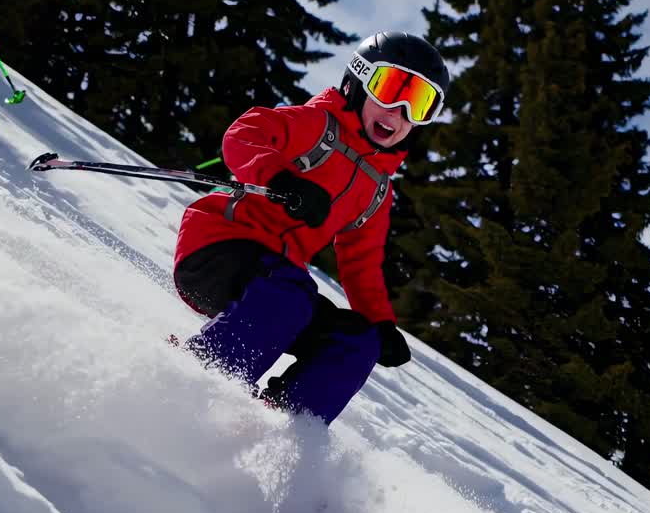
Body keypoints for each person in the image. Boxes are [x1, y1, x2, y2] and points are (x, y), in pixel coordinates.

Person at [173, 31, 450, 425]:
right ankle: (199, 380)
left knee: (355, 342)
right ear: (358, 80)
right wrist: (280, 178)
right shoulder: (317, 125)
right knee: (292, 293)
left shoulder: (377, 189)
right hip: (218, 249)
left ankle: (286, 429)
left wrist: (381, 324)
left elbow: (361, 264)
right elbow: (244, 134)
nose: (399, 110)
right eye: (390, 89)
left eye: (420, 103)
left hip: (275, 288)